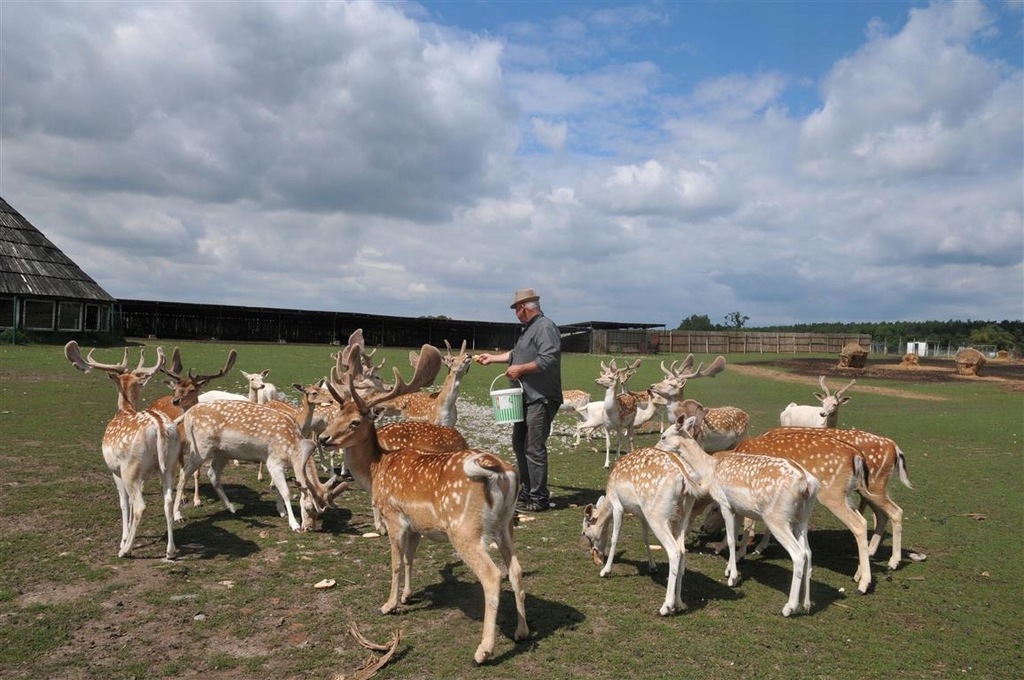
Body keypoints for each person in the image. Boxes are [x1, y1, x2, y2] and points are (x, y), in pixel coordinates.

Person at [477, 288, 562, 513]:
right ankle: (527, 490)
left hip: (540, 397)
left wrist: (521, 370)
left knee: (533, 447)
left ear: (523, 308)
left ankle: (539, 498)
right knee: (519, 442)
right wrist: (492, 358)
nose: (516, 312)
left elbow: (548, 358)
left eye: (516, 308)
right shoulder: (528, 330)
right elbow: (516, 354)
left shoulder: (545, 327)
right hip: (524, 397)